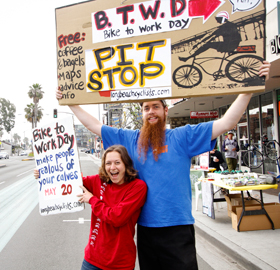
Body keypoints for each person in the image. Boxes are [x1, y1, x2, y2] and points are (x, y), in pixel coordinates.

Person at [55, 61, 270, 270]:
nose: (151, 112)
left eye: (156, 107)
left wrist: (249, 89)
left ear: (165, 111)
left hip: (178, 228)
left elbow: (227, 123)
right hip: (146, 230)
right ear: (142, 113)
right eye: (146, 108)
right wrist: (71, 103)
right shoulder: (130, 139)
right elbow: (93, 125)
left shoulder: (182, 136)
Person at [34, 145, 147, 270]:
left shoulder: (138, 187)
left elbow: (117, 217)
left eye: (117, 162)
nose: (112, 167)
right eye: (108, 163)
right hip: (92, 260)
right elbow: (69, 182)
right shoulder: (99, 181)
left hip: (120, 263)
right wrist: (45, 174)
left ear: (126, 164)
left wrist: (92, 199)